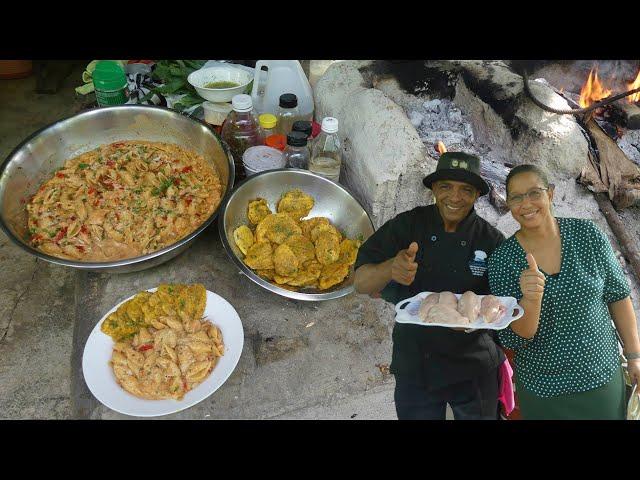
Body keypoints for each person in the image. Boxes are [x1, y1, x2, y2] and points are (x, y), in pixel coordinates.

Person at [354, 152, 506, 420]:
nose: (455, 197)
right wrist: (390, 267)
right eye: (446, 186)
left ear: (476, 196)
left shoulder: (491, 240)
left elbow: (505, 305)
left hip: (473, 363)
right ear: (434, 189)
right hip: (416, 359)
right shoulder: (408, 225)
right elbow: (361, 282)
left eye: (466, 190)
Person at [487, 164, 640, 420]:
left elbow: (618, 296)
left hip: (600, 377)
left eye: (534, 193)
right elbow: (515, 339)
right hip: (543, 390)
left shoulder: (588, 235)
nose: (526, 203)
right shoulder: (503, 260)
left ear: (550, 194)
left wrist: (634, 355)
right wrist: (531, 299)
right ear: (509, 204)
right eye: (516, 197)